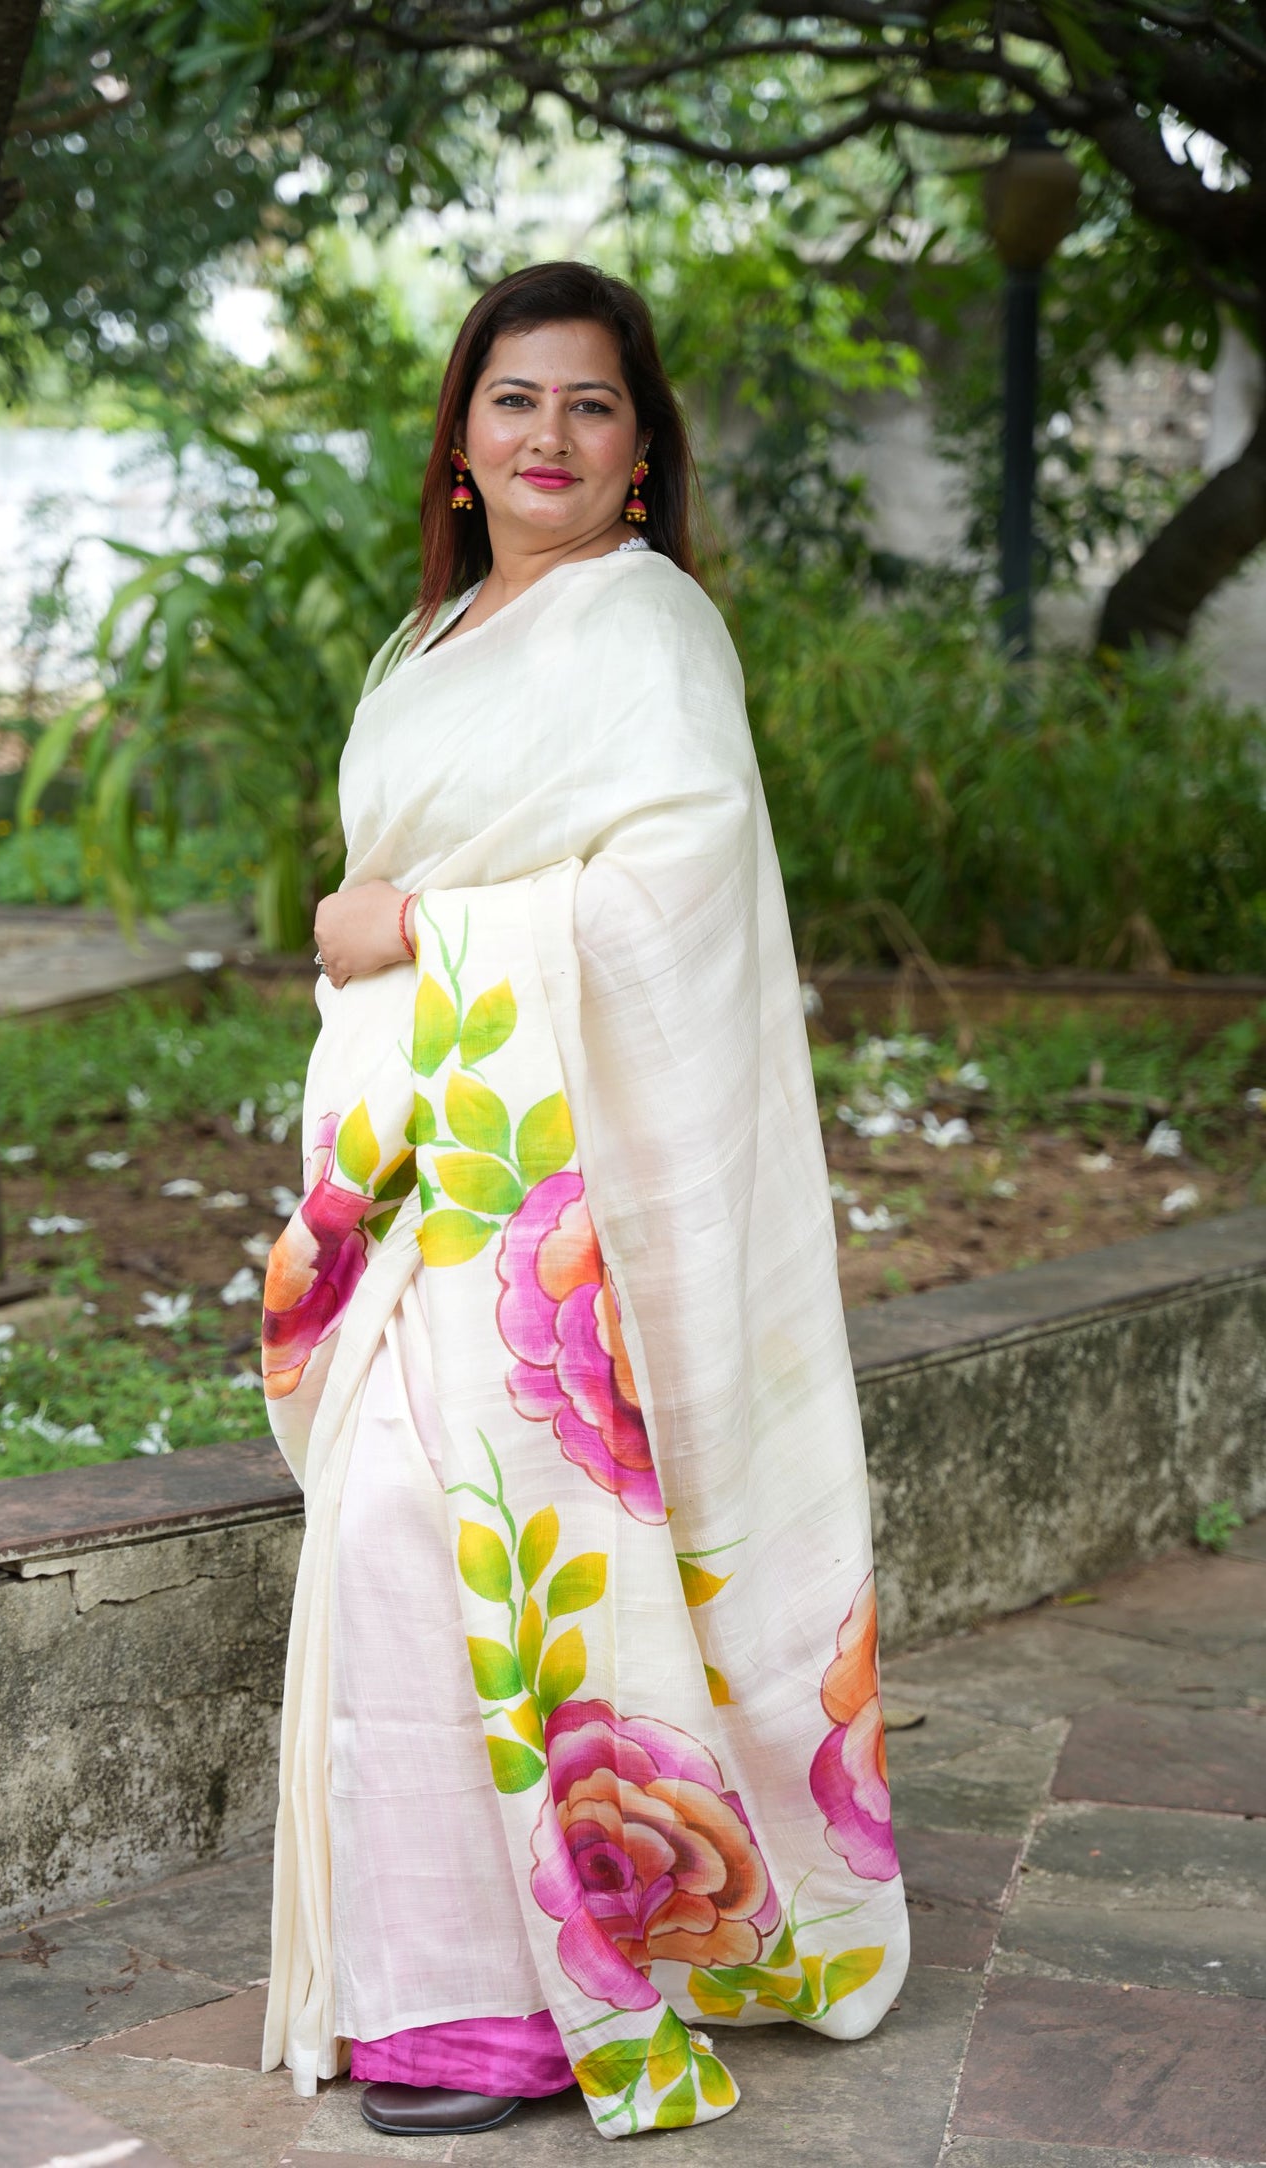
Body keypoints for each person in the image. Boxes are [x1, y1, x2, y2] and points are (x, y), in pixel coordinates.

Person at [258, 260, 909, 2143]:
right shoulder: (433, 642)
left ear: (642, 454)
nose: (550, 434)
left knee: (457, 1548)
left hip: (549, 1204)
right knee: (388, 1545)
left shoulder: (647, 628)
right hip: (418, 1174)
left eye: (592, 405)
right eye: (515, 399)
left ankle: (522, 2003)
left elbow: (667, 903)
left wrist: (415, 931)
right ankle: (441, 1989)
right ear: (459, 442)